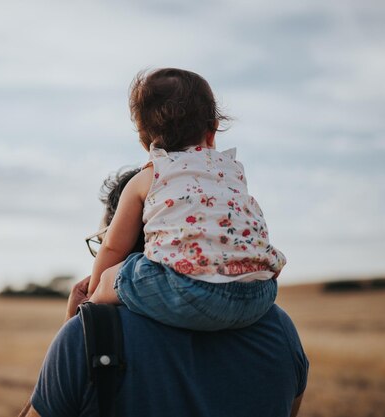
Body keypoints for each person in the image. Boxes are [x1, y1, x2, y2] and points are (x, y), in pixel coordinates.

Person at [21, 169, 308, 417]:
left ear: (122, 240)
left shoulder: (88, 337)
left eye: (102, 243)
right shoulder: (280, 330)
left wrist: (73, 329)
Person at [88, 68, 287, 331]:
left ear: (143, 138)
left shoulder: (150, 176)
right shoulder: (231, 170)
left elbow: (113, 246)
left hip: (191, 294)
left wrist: (95, 290)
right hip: (259, 293)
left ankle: (87, 316)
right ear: (213, 130)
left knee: (120, 273)